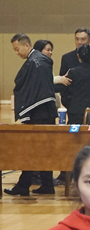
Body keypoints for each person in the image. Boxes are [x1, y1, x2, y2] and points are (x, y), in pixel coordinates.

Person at [5, 34, 57, 196]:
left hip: (39, 113)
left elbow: (31, 88)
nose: (16, 53)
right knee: (41, 150)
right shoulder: (38, 61)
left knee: (31, 149)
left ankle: (24, 185)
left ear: (26, 45)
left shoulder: (36, 62)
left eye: (17, 49)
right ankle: (46, 185)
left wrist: (25, 109)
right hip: (45, 112)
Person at [61, 44, 90, 125]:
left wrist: (71, 105)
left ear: (78, 56)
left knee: (75, 132)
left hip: (75, 112)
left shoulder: (72, 73)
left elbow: (64, 92)